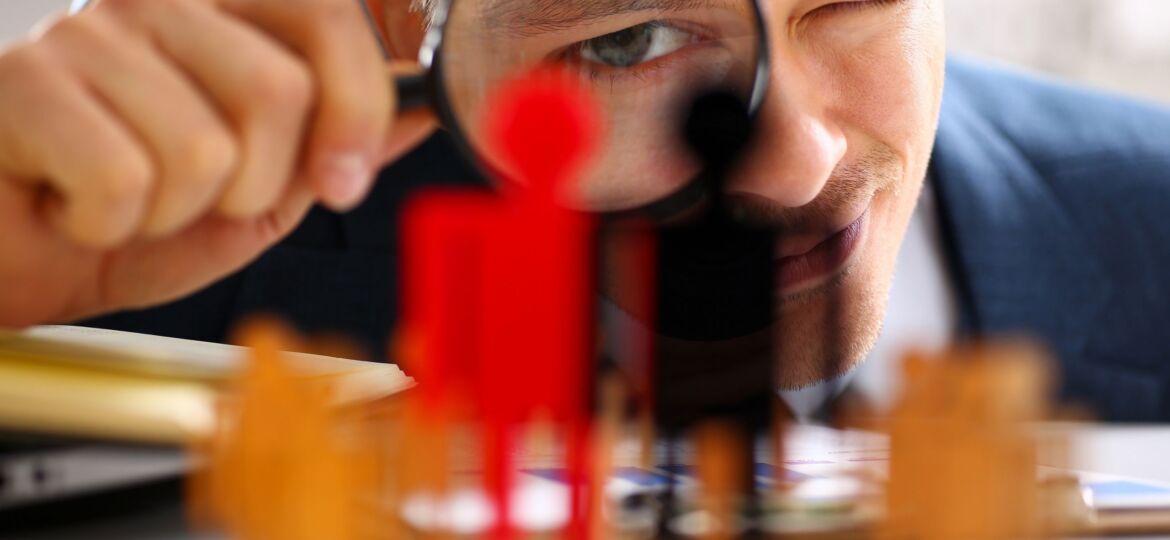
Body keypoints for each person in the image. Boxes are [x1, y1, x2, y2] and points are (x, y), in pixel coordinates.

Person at [1, 0, 1168, 421]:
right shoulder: (172, 274)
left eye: (853, 0)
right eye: (626, 40)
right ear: (413, 32)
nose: (796, 162)